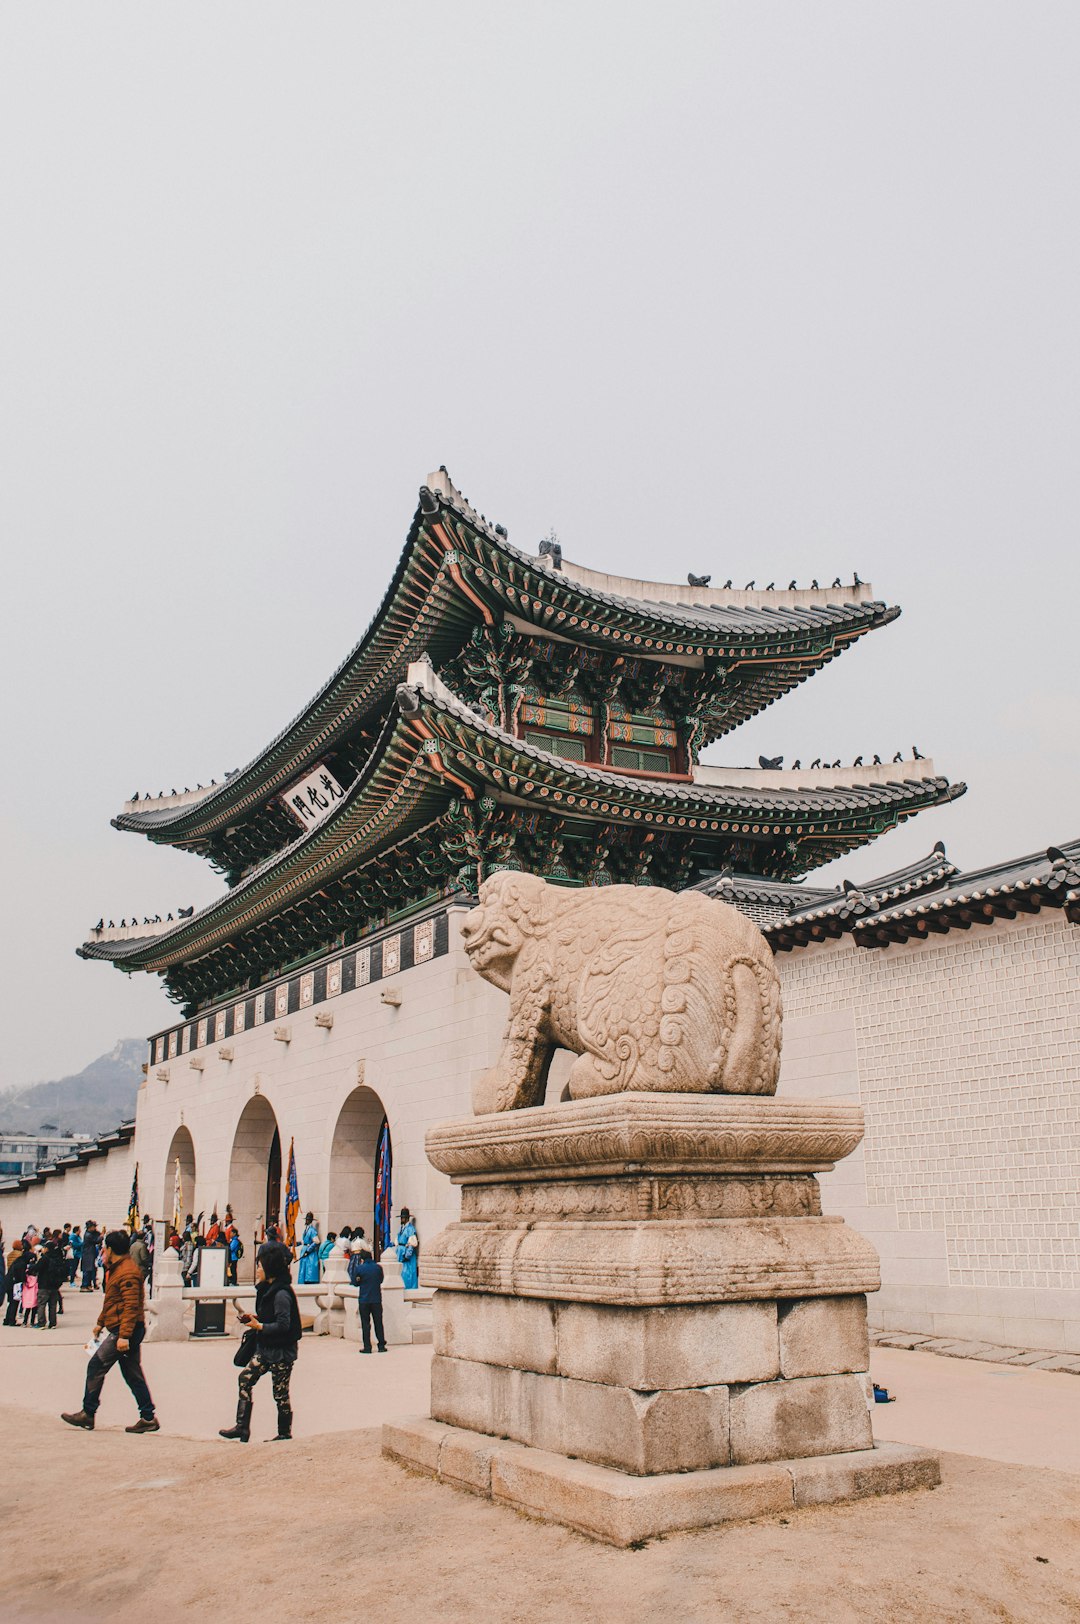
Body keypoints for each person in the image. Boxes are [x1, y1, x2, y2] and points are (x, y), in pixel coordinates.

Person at [61, 1229, 159, 1433]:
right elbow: (113, 1301)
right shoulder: (117, 1268)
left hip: (125, 1330)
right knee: (132, 1374)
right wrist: (100, 1322)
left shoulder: (128, 1272)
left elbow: (131, 1306)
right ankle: (148, 1417)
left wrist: (124, 1336)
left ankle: (88, 1413)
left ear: (110, 1249)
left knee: (96, 1366)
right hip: (123, 1327)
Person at [220, 1242, 301, 1444]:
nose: (257, 1270)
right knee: (245, 1379)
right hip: (265, 1349)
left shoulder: (282, 1294)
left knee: (280, 1393)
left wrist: (259, 1326)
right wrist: (254, 1319)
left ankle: (284, 1433)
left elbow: (284, 1325)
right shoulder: (267, 1289)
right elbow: (269, 1317)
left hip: (281, 1351)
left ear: (270, 1269)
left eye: (261, 1266)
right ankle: (242, 1426)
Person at [349, 1248, 386, 1353]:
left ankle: (367, 1347)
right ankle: (381, 1345)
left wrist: (360, 1281)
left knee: (365, 1324)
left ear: (362, 1259)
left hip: (364, 1299)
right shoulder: (378, 1268)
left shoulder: (359, 1269)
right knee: (378, 1322)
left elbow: (355, 1282)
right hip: (376, 1299)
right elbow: (381, 1280)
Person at [35, 1232, 68, 1329]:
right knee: (52, 1305)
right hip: (55, 1285)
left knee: (41, 1304)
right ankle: (52, 1323)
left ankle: (41, 1322)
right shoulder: (58, 1258)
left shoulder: (44, 1259)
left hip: (44, 1285)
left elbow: (37, 1268)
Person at [3, 1239, 28, 1326]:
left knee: (10, 1301)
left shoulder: (10, 1255)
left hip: (9, 1278)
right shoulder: (20, 1256)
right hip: (15, 1281)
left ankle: (7, 1319)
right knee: (15, 1302)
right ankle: (11, 1320)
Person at [396, 1208, 419, 1291]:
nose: (401, 1219)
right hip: (400, 1253)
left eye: (403, 1217)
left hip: (406, 1255)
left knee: (408, 1274)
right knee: (402, 1273)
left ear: (406, 1218)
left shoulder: (410, 1229)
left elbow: (412, 1243)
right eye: (401, 1217)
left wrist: (407, 1255)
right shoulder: (401, 1228)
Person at [297, 1213, 320, 1284]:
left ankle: (308, 1280)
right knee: (303, 1267)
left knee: (309, 1267)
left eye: (308, 1219)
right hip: (304, 1250)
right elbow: (304, 1241)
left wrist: (309, 1249)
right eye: (306, 1219)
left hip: (309, 1252)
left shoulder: (312, 1230)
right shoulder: (306, 1229)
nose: (307, 1220)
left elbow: (317, 1241)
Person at [81, 1222, 100, 1291]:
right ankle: (84, 1285)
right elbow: (96, 1240)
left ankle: (88, 1284)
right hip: (87, 1254)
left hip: (90, 1254)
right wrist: (101, 1236)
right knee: (87, 1270)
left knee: (90, 1270)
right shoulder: (88, 1235)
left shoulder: (90, 1234)